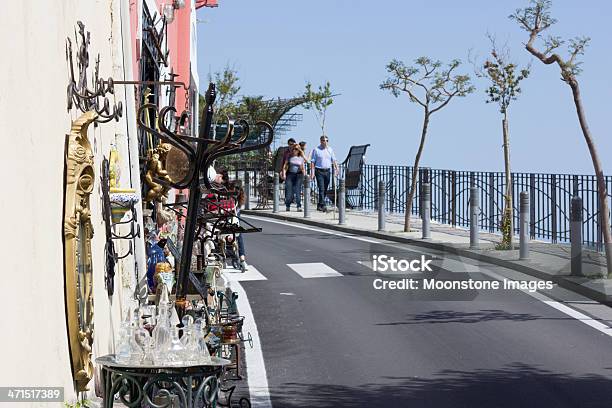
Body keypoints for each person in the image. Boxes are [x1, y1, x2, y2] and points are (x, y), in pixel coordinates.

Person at [310, 135, 338, 212]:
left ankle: (320, 204)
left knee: (325, 189)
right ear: (321, 141)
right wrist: (312, 173)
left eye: (326, 140)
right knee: (321, 188)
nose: (325, 142)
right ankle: (324, 205)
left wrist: (336, 168)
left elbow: (334, 160)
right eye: (323, 140)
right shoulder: (316, 150)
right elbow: (312, 162)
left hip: (327, 171)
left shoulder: (330, 150)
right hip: (319, 171)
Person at [281, 145, 306, 211]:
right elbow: (285, 166)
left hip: (299, 175)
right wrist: (284, 174)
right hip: (290, 175)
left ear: (299, 150)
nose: (295, 150)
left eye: (297, 149)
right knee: (289, 192)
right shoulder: (289, 157)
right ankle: (288, 205)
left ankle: (299, 206)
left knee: (298, 191)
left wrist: (305, 176)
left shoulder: (301, 158)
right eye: (294, 149)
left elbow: (303, 168)